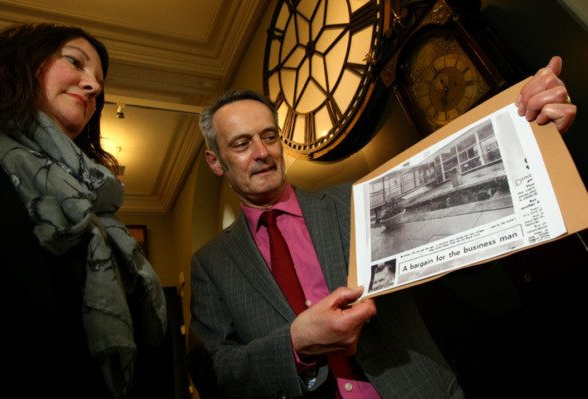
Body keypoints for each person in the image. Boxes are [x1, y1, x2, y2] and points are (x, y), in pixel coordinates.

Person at [186, 56, 576, 398]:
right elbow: (212, 372)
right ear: (215, 161)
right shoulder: (211, 265)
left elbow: (464, 243)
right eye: (241, 144)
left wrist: (532, 138)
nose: (261, 152)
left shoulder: (353, 202)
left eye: (269, 136)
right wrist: (295, 344)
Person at [0, 23, 166, 398]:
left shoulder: (96, 203)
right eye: (75, 61)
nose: (95, 87)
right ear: (17, 62)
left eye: (99, 82)